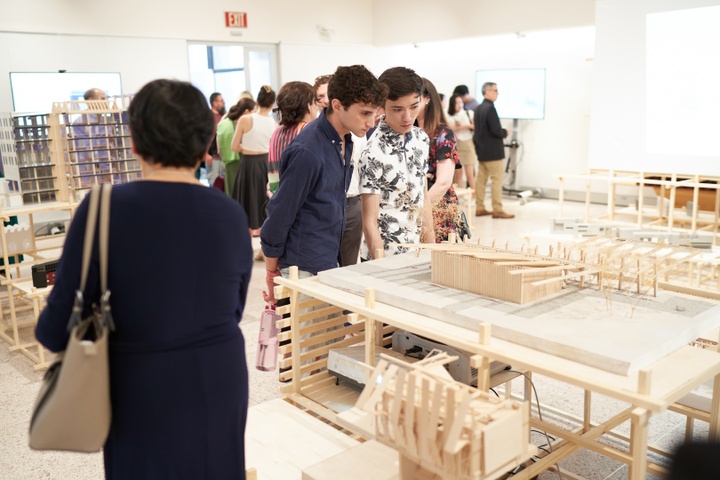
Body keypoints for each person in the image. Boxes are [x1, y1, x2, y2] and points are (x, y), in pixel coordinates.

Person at [35, 79, 253, 479]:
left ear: (133, 141)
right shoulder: (230, 214)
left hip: (139, 385)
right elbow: (235, 309)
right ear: (206, 141)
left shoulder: (101, 209)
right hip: (220, 375)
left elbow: (54, 331)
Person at [261, 65, 386, 303]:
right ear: (337, 105)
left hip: (328, 258)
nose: (371, 123)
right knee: (304, 338)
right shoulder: (308, 150)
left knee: (323, 338)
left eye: (374, 114)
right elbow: (279, 213)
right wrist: (271, 270)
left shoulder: (345, 138)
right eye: (365, 113)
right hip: (302, 265)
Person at [358, 66, 433, 261]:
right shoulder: (372, 151)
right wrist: (381, 265)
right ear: (382, 106)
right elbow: (369, 222)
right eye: (398, 109)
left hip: (416, 249)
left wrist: (432, 248)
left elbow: (423, 196)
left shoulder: (421, 139)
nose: (407, 117)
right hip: (385, 254)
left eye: (414, 107)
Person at [315, 73, 366, 266]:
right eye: (321, 96)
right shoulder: (313, 135)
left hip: (352, 203)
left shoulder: (359, 132)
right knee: (324, 264)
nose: (325, 100)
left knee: (349, 264)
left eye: (328, 94)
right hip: (325, 205)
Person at [418, 78, 461, 242]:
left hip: (437, 208)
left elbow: (443, 183)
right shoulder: (411, 132)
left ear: (427, 99)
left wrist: (420, 212)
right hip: (418, 208)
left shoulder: (443, 133)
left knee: (436, 262)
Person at [231, 85, 277, 237]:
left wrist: (249, 148)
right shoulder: (274, 124)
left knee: (246, 202)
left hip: (249, 164)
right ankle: (263, 246)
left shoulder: (245, 119)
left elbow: (234, 146)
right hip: (266, 164)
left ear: (257, 100)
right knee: (263, 204)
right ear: (272, 104)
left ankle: (247, 243)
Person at [267, 81, 318, 196]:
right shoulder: (310, 132)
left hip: (278, 198)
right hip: (305, 202)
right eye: (315, 103)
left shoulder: (277, 132)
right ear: (309, 107)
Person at [474, 81, 514, 219]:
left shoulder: (478, 108)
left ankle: (479, 207)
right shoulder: (490, 108)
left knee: (481, 181)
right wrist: (505, 132)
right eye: (496, 90)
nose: (497, 93)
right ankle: (497, 209)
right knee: (497, 180)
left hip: (482, 151)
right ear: (487, 91)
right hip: (493, 152)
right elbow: (496, 130)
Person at [72, 88, 113, 187]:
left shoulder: (107, 120)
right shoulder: (80, 122)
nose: (106, 102)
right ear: (91, 100)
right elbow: (82, 151)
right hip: (89, 170)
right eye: (102, 98)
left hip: (107, 168)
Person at [217, 97, 256, 196]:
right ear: (247, 112)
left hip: (231, 164)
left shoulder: (224, 122)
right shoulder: (240, 124)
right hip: (238, 163)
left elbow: (219, 149)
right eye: (253, 112)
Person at [447, 93, 476, 189]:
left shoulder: (469, 113)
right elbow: (451, 129)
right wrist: (464, 126)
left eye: (461, 102)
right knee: (458, 175)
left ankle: (475, 197)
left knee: (470, 174)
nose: (460, 105)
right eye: (457, 103)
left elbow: (474, 126)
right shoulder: (448, 115)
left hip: (467, 144)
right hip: (455, 145)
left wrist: (461, 126)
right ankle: (461, 197)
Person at [207, 92, 226, 186]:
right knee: (214, 184)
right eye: (221, 101)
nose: (224, 103)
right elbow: (205, 136)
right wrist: (206, 154)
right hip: (213, 156)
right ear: (214, 103)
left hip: (223, 158)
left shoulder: (223, 116)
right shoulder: (208, 117)